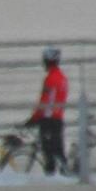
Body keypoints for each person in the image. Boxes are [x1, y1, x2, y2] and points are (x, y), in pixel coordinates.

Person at [28, 47, 69, 175]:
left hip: (48, 119)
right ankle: (66, 174)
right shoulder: (63, 78)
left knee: (48, 153)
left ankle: (51, 178)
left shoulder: (50, 79)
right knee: (59, 150)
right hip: (59, 118)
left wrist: (33, 118)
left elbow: (45, 101)